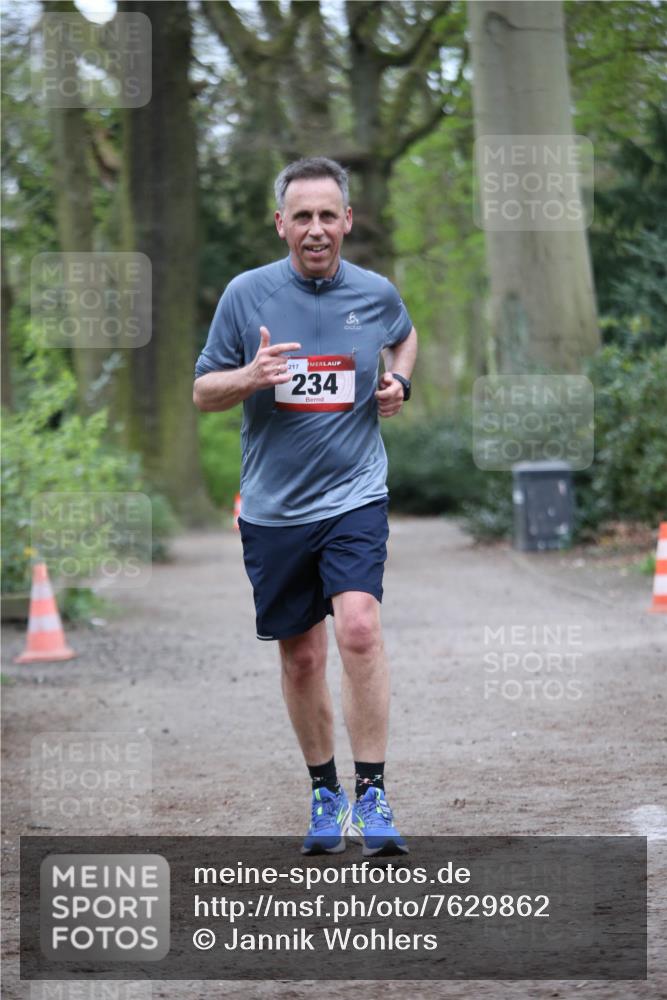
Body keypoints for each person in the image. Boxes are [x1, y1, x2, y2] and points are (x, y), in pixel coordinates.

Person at [193, 157, 417, 857]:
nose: (315, 229)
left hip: (354, 494)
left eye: (328, 215)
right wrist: (249, 377)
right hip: (273, 509)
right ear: (281, 224)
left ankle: (371, 795)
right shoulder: (245, 295)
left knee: (357, 629)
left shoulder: (373, 293)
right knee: (300, 658)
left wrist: (398, 384)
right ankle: (325, 797)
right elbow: (203, 392)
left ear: (346, 221)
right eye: (302, 216)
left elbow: (403, 336)